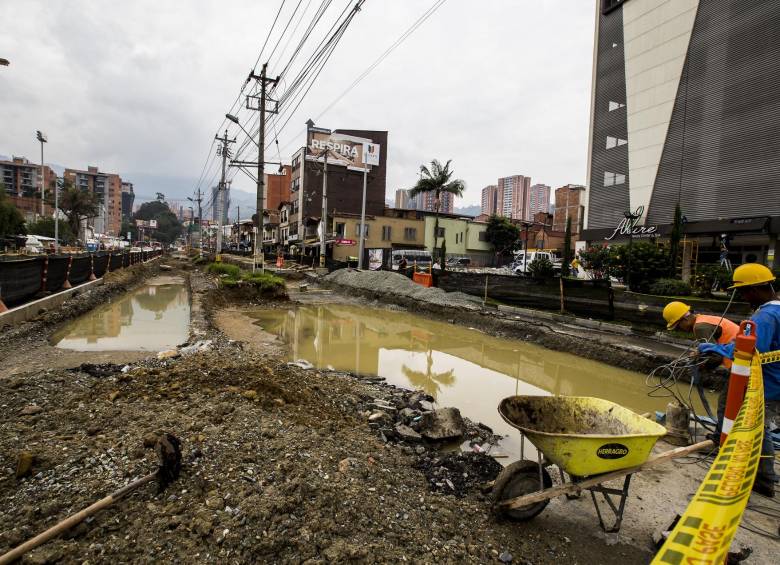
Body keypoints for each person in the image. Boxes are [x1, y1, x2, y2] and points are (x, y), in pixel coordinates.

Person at [698, 263, 780, 497]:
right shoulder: (777, 310)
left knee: (757, 428)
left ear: (752, 290)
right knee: (756, 425)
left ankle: (763, 478)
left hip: (766, 383)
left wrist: (713, 349)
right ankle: (742, 461)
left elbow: (751, 348)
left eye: (743, 293)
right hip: (772, 379)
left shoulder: (766, 316)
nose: (743, 298)